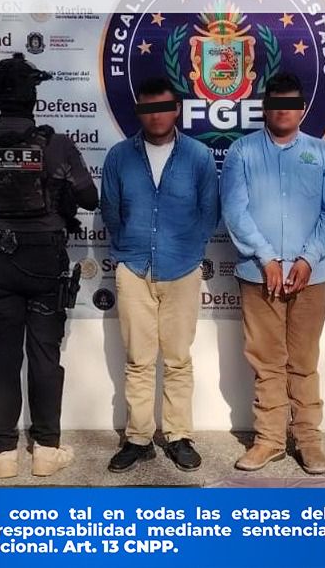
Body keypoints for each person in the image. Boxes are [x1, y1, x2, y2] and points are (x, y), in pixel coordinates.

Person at [0, 53, 98, 479]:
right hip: (44, 263)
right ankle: (46, 450)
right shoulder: (57, 145)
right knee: (45, 356)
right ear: (34, 98)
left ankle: (3, 454)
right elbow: (90, 199)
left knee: (2, 358)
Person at [221, 72, 325, 474]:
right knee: (267, 361)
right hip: (259, 274)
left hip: (312, 275)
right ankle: (269, 441)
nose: (283, 112)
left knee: (304, 360)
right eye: (276, 104)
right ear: (265, 108)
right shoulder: (241, 152)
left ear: (302, 109)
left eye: (291, 105)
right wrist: (267, 258)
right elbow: (234, 211)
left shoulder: (321, 153)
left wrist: (307, 259)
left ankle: (308, 441)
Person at [101, 77, 219, 473]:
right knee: (138, 359)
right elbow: (110, 210)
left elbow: (210, 211)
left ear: (176, 109)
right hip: (134, 267)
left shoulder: (199, 156)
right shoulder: (119, 156)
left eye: (163, 108)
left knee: (178, 359)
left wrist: (189, 248)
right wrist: (127, 247)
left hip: (182, 268)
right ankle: (138, 438)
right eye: (148, 109)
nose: (156, 117)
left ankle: (179, 435)